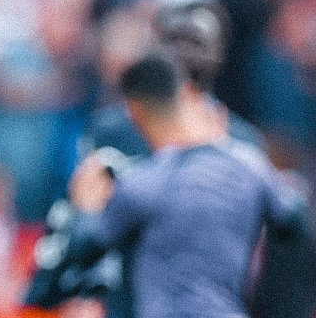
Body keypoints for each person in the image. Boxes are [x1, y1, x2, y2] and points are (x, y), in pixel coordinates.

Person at [62, 52, 308, 318]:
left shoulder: (145, 181)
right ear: (189, 96)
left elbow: (84, 249)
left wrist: (86, 210)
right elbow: (296, 221)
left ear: (134, 113)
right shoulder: (249, 165)